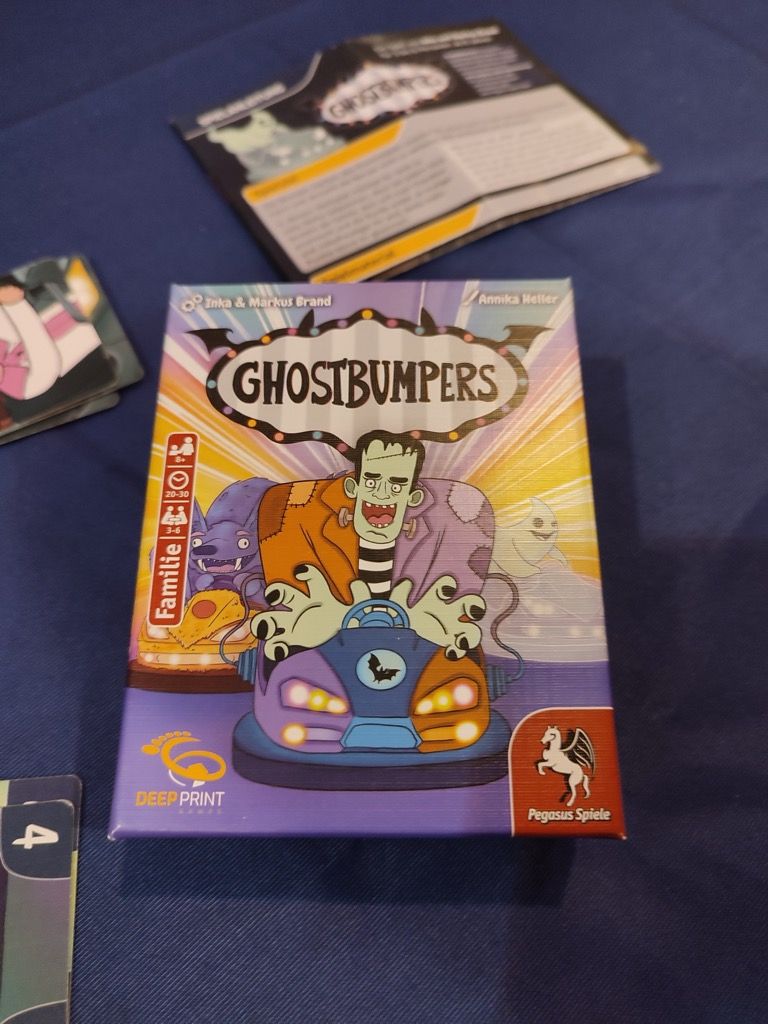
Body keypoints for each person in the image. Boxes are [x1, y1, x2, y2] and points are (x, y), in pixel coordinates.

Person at [252, 431, 495, 661]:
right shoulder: (306, 528)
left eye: (396, 485)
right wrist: (314, 625)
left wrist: (433, 625)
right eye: (371, 481)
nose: (382, 493)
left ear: (413, 498)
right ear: (353, 488)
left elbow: (446, 608)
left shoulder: (441, 538)